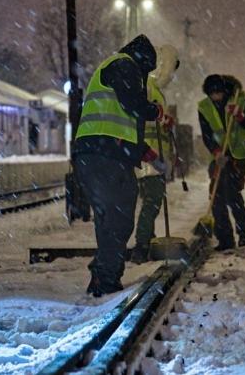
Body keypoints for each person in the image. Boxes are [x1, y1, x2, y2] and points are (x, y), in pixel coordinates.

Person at [73, 34, 165, 297]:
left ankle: (104, 277)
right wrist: (154, 110)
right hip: (104, 157)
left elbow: (120, 120)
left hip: (98, 154)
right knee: (119, 218)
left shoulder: (118, 66)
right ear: (144, 60)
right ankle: (106, 278)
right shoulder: (124, 65)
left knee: (109, 218)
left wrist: (146, 153)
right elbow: (133, 105)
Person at [131, 45, 179, 264]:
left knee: (150, 201)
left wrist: (165, 122)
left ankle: (146, 241)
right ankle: (141, 246)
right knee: (152, 202)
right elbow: (142, 113)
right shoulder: (149, 86)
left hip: (151, 155)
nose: (172, 75)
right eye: (172, 69)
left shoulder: (154, 88)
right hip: (148, 156)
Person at [198, 74, 245, 251]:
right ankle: (225, 239)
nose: (216, 97)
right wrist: (216, 152)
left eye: (218, 93)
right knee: (216, 197)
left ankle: (244, 233)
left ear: (224, 91)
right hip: (218, 156)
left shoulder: (239, 98)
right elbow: (207, 133)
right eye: (212, 94)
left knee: (232, 194)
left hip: (237, 155)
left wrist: (240, 116)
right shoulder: (204, 106)